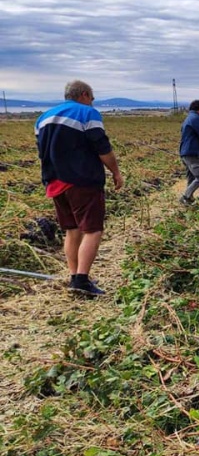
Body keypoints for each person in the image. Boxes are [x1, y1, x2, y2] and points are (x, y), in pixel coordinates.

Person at [35, 80, 123, 295]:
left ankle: (74, 276)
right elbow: (102, 146)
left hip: (54, 181)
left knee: (72, 230)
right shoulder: (86, 113)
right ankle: (82, 280)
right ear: (84, 95)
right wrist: (116, 171)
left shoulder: (43, 118)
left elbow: (41, 151)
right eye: (92, 98)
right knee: (93, 230)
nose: (92, 103)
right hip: (82, 180)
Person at [179, 99, 199, 205]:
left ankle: (189, 198)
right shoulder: (196, 118)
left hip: (185, 152)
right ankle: (185, 197)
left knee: (191, 177)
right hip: (192, 152)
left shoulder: (188, 118)